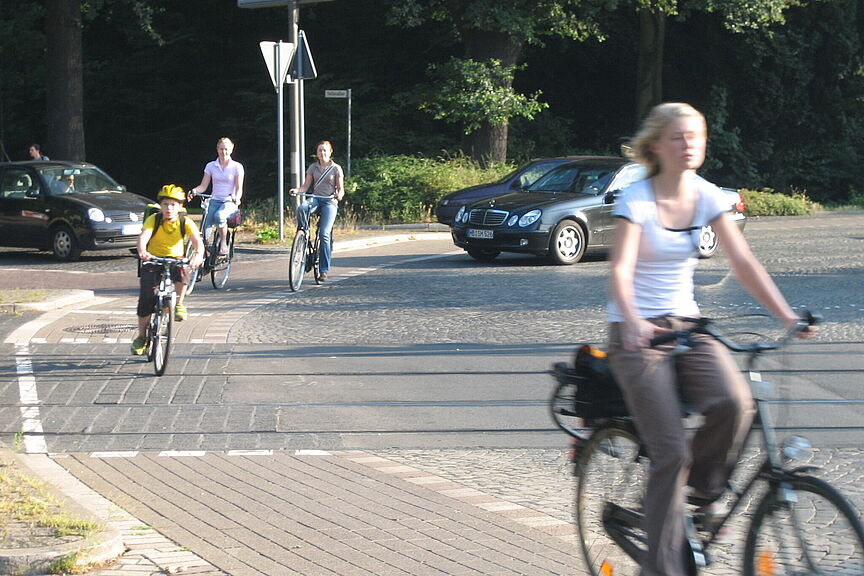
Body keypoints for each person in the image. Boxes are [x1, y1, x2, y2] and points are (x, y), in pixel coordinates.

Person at [606, 102, 815, 576]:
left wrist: (787, 317)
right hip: (636, 334)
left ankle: (693, 500)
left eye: (696, 136)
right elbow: (619, 270)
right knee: (671, 451)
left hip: (687, 325)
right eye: (678, 137)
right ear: (656, 145)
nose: (689, 145)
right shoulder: (636, 199)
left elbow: (743, 262)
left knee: (735, 403)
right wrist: (636, 321)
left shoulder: (705, 195)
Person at [131, 184, 204, 356]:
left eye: (173, 205)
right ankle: (142, 337)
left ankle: (178, 304)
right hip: (153, 259)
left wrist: (198, 255)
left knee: (184, 271)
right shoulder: (154, 220)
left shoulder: (185, 222)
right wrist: (143, 251)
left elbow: (197, 242)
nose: (169, 208)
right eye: (165, 204)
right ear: (160, 206)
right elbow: (144, 237)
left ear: (180, 207)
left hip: (176, 259)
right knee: (146, 299)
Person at [288, 140, 345, 281]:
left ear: (330, 152)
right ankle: (303, 233)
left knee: (324, 234)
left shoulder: (336, 168)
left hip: (329, 202)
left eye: (325, 150)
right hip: (316, 199)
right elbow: (305, 187)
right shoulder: (313, 168)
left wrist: (339, 195)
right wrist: (297, 190)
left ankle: (323, 270)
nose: (322, 153)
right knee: (302, 207)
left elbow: (341, 189)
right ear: (317, 152)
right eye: (320, 150)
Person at [188, 137, 244, 255]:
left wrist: (236, 198)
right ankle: (203, 257)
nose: (224, 152)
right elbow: (203, 186)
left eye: (226, 149)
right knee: (205, 230)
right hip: (214, 200)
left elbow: (239, 188)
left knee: (219, 216)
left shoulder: (237, 167)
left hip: (229, 201)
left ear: (231, 150)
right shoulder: (211, 166)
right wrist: (194, 191)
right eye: (221, 149)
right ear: (217, 149)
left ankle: (223, 244)